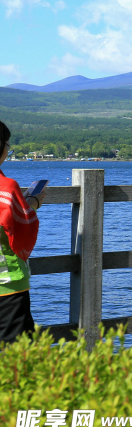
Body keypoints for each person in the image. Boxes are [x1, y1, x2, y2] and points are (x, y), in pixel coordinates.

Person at [0, 120, 43, 344]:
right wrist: (31, 203)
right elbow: (23, 228)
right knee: (18, 356)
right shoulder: (7, 188)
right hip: (7, 284)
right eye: (7, 144)